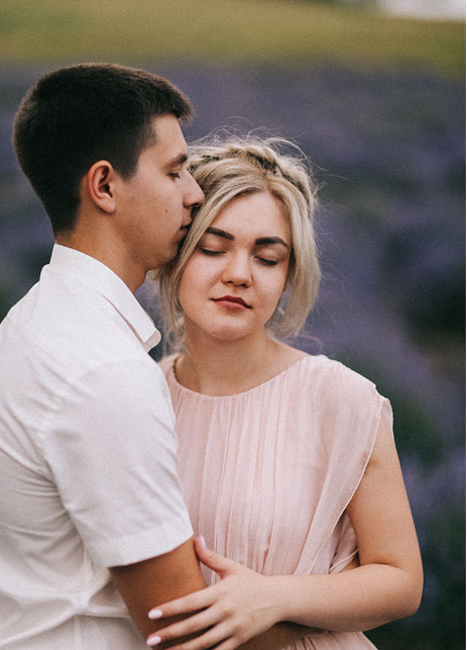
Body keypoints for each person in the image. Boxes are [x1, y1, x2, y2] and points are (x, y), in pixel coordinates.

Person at [134, 134, 423, 650]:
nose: (239, 275)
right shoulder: (138, 396)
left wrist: (275, 598)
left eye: (267, 258)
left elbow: (401, 581)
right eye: (213, 248)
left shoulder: (341, 399)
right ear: (175, 254)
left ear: (289, 275)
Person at [0, 63, 209, 649]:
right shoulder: (103, 371)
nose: (196, 193)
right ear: (105, 186)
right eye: (176, 171)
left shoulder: (29, 323)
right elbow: (179, 624)